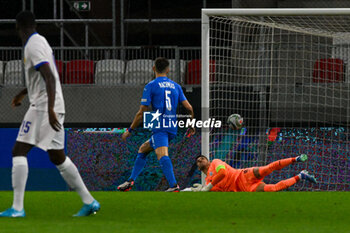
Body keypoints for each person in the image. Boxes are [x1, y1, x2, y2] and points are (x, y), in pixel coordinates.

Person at [0, 11, 100, 217]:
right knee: (58, 157)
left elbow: (49, 78)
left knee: (19, 151)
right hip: (48, 104)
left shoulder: (32, 45)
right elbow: (46, 76)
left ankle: (17, 208)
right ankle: (89, 202)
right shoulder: (41, 41)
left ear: (18, 27)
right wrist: (22, 93)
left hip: (44, 106)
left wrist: (51, 109)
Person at [119, 57, 195, 192]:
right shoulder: (176, 86)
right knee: (143, 149)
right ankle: (131, 181)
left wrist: (130, 130)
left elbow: (142, 111)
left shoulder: (151, 85)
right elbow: (189, 108)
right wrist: (191, 124)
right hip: (172, 127)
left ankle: (174, 186)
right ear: (168, 69)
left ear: (153, 68)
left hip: (160, 126)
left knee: (162, 155)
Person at [192, 154, 317, 192]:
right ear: (198, 168)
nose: (200, 160)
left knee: (267, 168)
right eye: (198, 161)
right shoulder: (209, 183)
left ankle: (296, 159)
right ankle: (301, 175)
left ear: (208, 161)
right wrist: (203, 188)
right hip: (245, 188)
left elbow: (223, 173)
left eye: (202, 158)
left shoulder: (215, 162)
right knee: (273, 189)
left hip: (243, 174)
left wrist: (207, 186)